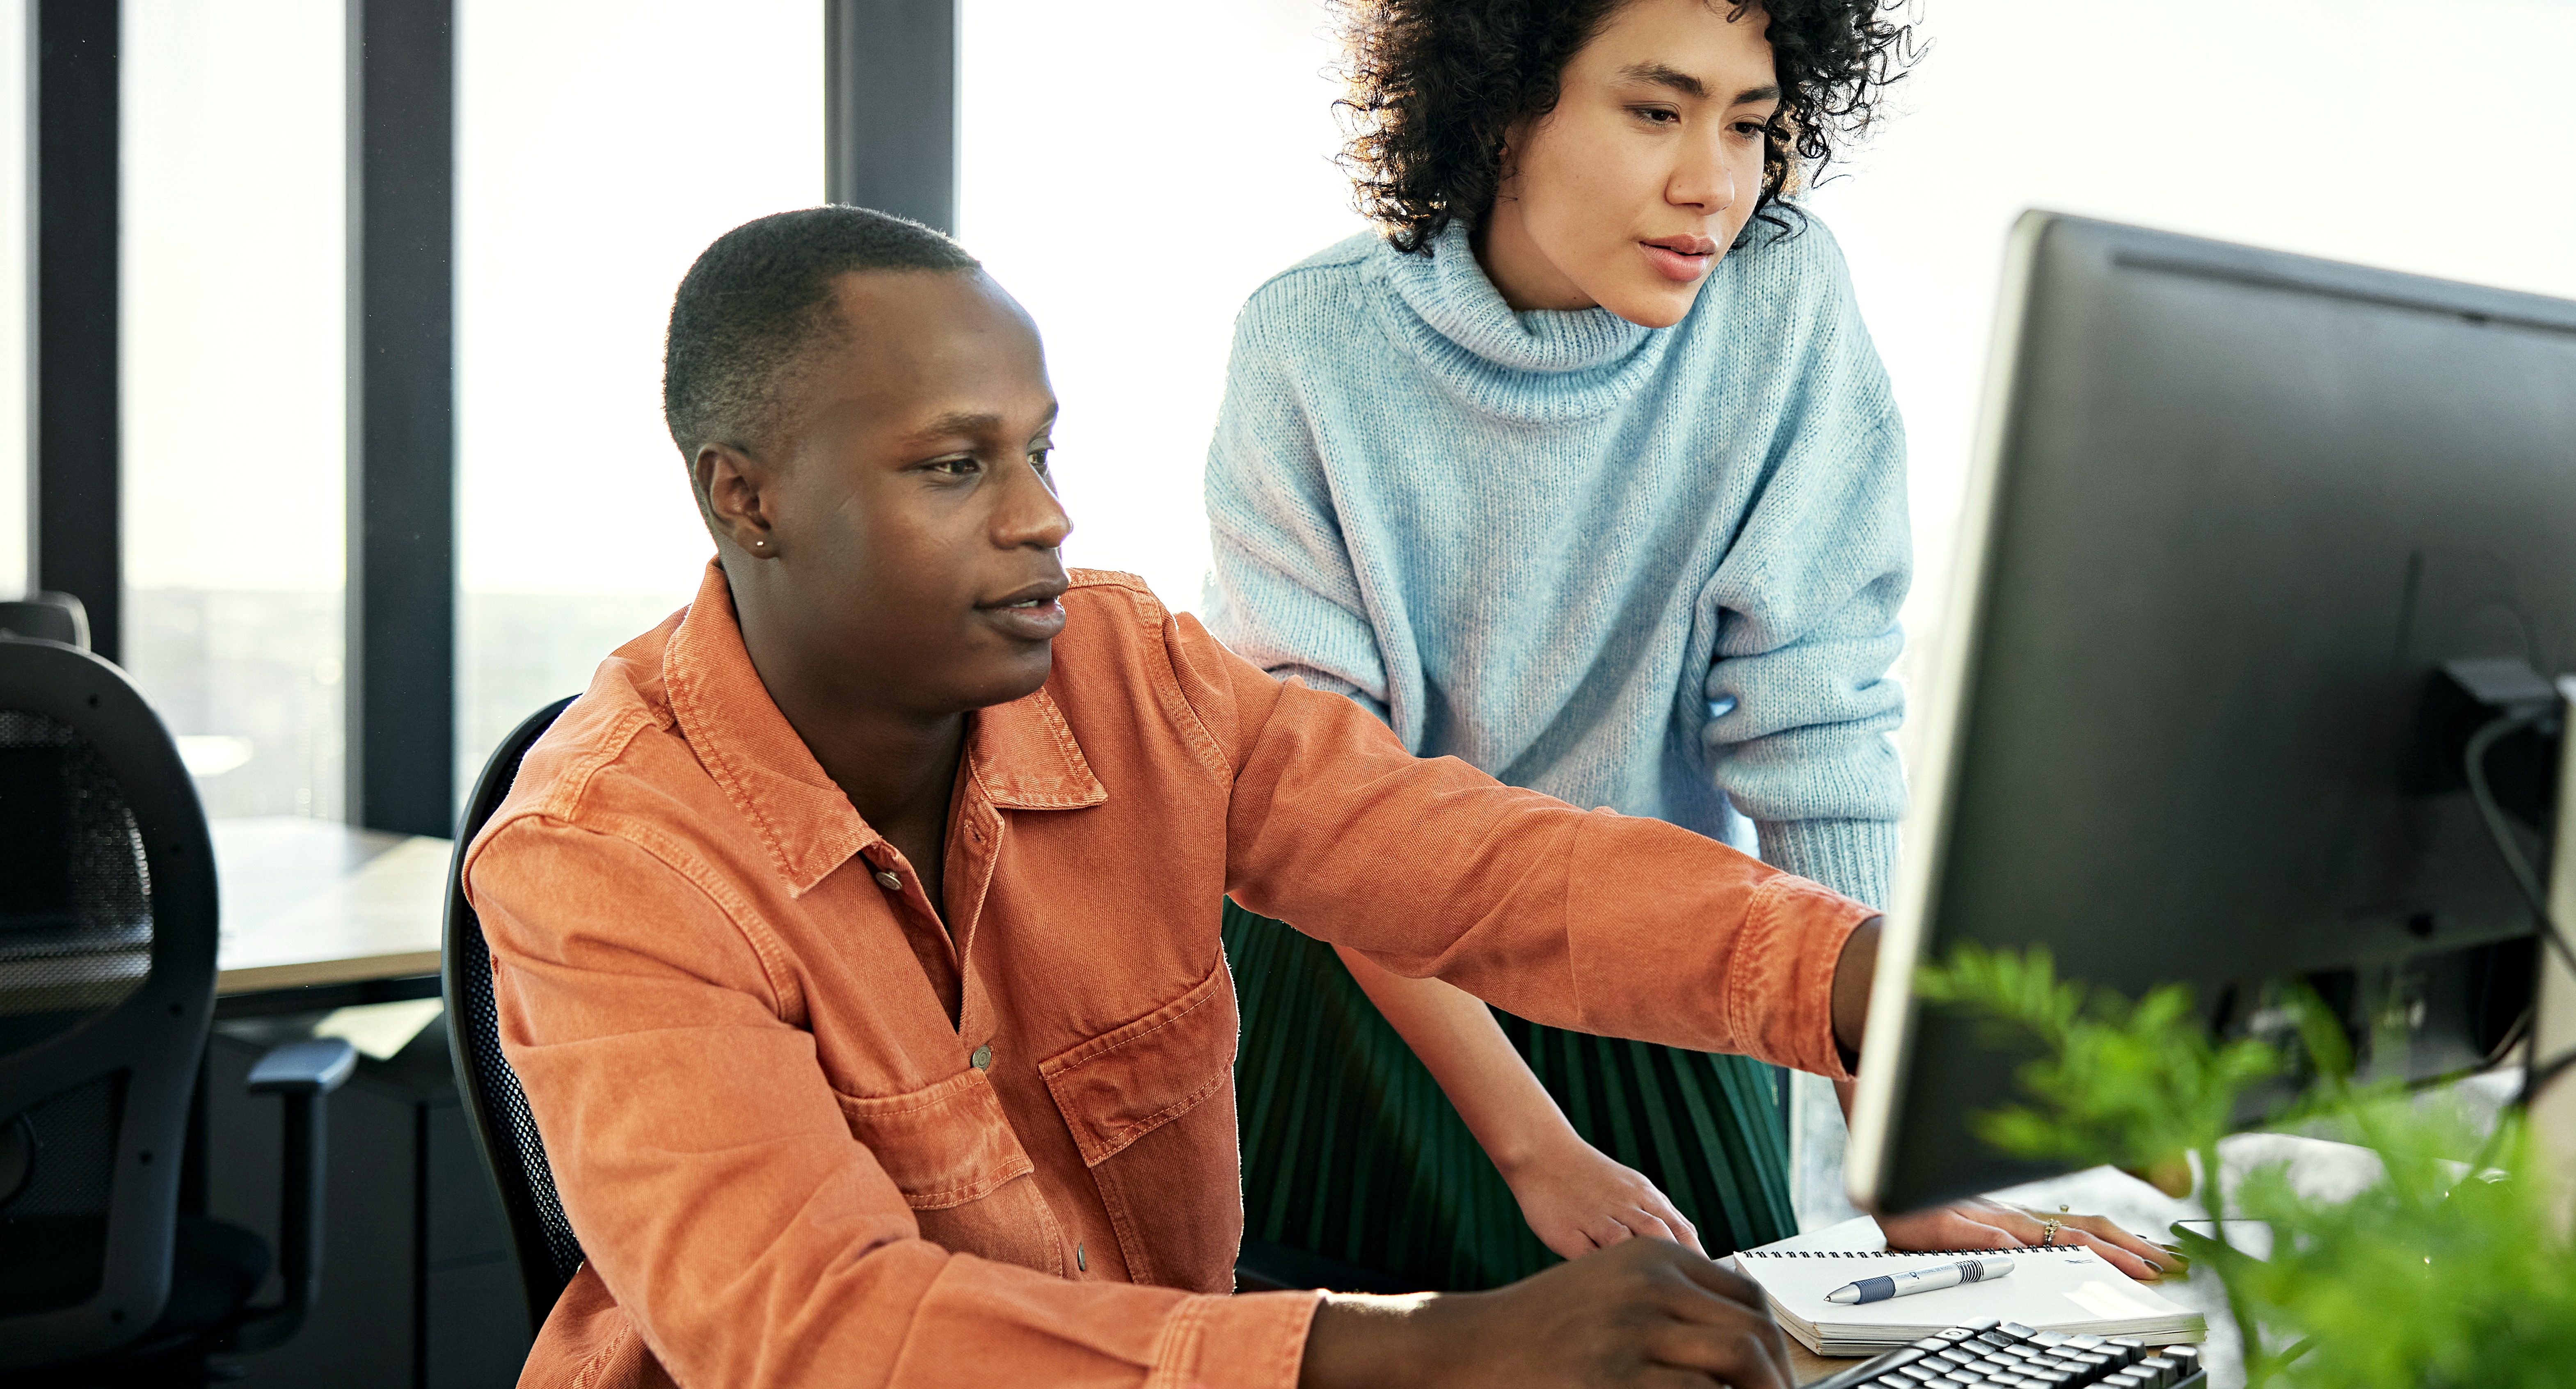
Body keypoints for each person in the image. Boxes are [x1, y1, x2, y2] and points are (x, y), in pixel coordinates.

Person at [465, 206, 2172, 1389]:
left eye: (1043, 449)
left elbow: (1474, 869)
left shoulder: (1123, 674)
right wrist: (1423, 1353)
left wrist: (1864, 980)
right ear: (746, 499)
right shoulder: (599, 859)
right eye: (955, 463)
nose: (1044, 515)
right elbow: (817, 1337)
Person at [1208, 0, 2134, 1282]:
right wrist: (1535, 1146)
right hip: (1359, 984)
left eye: (1747, 125)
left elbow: (1814, 726)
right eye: (1655, 111)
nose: (1711, 184)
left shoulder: (1781, 299)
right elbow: (1322, 803)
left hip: (1660, 955)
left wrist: (1903, 1159)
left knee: (1730, 1329)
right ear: (1498, 105)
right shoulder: (1308, 338)